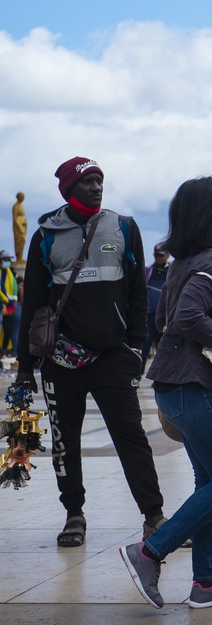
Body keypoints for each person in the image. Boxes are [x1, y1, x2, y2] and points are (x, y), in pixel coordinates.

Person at [119, 176, 212, 609]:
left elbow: (169, 319)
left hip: (173, 388)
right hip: (194, 387)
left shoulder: (182, 261)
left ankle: (208, 581)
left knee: (209, 480)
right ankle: (149, 552)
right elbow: (187, 318)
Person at [16, 157, 165, 548]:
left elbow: (136, 295)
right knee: (66, 441)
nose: (97, 187)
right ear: (68, 190)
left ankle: (154, 515)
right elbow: (31, 301)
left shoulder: (124, 227)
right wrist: (24, 368)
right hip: (60, 360)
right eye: (88, 182)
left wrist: (136, 348)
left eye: (100, 181)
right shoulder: (46, 234)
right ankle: (74, 514)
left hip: (113, 356)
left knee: (132, 436)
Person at [142, 242, 171, 368]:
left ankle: (163, 378)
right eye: (156, 255)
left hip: (167, 318)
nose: (158, 258)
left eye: (161, 255)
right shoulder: (147, 271)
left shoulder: (173, 271)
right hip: (149, 316)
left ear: (167, 255)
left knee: (165, 350)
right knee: (144, 347)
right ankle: (136, 378)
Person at [0, 250, 16, 354]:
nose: (8, 261)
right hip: (2, 304)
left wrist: (11, 301)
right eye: (5, 260)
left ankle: (4, 352)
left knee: (8, 330)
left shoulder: (9, 273)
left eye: (9, 260)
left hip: (8, 306)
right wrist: (6, 300)